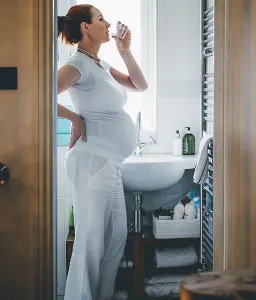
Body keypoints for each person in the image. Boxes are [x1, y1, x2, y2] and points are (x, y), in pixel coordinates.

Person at [57, 4, 148, 300]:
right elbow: (37, 92)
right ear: (85, 27)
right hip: (93, 160)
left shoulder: (100, 65)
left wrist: (125, 50)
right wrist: (74, 118)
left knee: (113, 239)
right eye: (100, 19)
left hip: (107, 163)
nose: (108, 24)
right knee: (90, 245)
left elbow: (140, 85)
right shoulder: (78, 64)